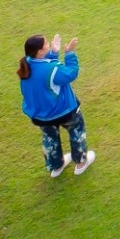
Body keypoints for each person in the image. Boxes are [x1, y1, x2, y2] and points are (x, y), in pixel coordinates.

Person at [18, 33, 94, 176]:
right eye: (47, 44)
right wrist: (69, 53)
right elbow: (70, 74)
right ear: (39, 51)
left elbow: (44, 71)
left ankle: (56, 167)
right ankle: (80, 164)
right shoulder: (52, 68)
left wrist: (53, 53)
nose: (50, 44)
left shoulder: (26, 65)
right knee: (76, 133)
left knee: (50, 139)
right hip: (64, 111)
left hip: (41, 115)